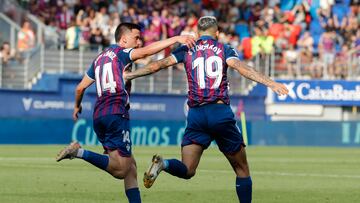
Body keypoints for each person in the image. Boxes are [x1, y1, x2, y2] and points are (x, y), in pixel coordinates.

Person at [124, 16, 289, 203]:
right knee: (242, 170)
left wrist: (130, 75)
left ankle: (164, 164)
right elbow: (242, 68)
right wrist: (271, 83)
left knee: (188, 169)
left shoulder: (187, 48)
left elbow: (158, 65)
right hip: (220, 113)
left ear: (197, 34)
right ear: (217, 33)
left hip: (196, 115)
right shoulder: (224, 49)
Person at [55, 22, 195, 203]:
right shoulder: (122, 53)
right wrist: (176, 38)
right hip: (116, 112)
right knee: (121, 169)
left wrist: (76, 107)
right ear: (123, 39)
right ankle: (79, 152)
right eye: (136, 38)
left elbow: (80, 88)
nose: (138, 42)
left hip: (99, 114)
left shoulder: (99, 59)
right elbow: (146, 52)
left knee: (130, 167)